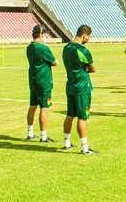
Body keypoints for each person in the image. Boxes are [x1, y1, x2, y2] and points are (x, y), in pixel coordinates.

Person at [62, 25, 96, 154]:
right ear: (84, 35)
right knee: (82, 117)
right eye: (89, 37)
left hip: (70, 84)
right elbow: (92, 68)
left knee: (70, 115)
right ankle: (84, 148)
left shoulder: (66, 48)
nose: (88, 39)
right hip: (82, 86)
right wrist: (84, 69)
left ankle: (66, 142)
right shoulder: (83, 50)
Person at [26, 25, 58, 142]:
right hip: (43, 80)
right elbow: (54, 62)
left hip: (33, 79)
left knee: (33, 105)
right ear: (41, 34)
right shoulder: (43, 48)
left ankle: (30, 132)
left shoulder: (29, 47)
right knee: (44, 107)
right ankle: (44, 136)